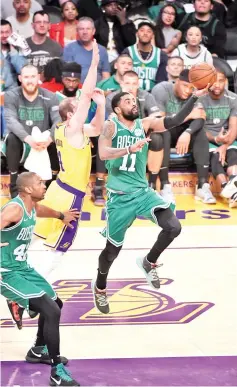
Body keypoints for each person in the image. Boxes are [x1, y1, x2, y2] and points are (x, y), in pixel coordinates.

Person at [91, 87, 208, 314]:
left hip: (143, 193)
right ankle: (100, 286)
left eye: (134, 100)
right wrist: (128, 148)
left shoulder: (145, 123)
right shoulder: (111, 125)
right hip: (120, 198)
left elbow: (174, 120)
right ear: (117, 108)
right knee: (111, 251)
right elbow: (103, 154)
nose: (133, 103)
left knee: (173, 227)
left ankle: (149, 261)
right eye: (127, 101)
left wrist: (194, 97)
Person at [0, 172, 80, 385]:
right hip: (5, 273)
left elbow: (39, 210)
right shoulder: (13, 209)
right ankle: (56, 372)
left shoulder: (31, 206)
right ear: (27, 189)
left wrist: (60, 215)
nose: (44, 185)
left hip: (23, 268)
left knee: (56, 303)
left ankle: (38, 350)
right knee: (51, 310)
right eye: (40, 183)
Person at [33, 40, 106, 272]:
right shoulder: (74, 127)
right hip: (70, 195)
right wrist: (94, 64)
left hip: (58, 187)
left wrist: (101, 105)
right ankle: (37, 289)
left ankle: (11, 266)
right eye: (78, 108)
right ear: (72, 114)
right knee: (60, 247)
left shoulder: (64, 130)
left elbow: (96, 129)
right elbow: (85, 97)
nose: (82, 107)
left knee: (39, 232)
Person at [152, 69, 216, 204]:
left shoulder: (196, 93)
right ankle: (164, 185)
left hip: (183, 132)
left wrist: (188, 132)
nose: (188, 90)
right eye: (185, 86)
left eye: (191, 88)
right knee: (164, 132)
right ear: (177, 81)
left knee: (200, 133)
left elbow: (200, 117)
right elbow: (160, 121)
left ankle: (202, 186)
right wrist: (189, 116)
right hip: (165, 131)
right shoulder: (162, 89)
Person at [3, 64, 61, 198]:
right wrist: (28, 139)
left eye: (33, 76)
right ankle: (14, 186)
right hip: (23, 141)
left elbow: (58, 120)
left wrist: (49, 139)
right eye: (26, 77)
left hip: (44, 143)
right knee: (11, 138)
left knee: (58, 136)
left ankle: (50, 184)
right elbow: (11, 120)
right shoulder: (11, 95)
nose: (30, 80)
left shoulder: (50, 96)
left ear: (39, 78)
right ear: (20, 78)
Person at [200, 68, 237, 208]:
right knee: (215, 157)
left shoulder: (233, 98)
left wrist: (225, 145)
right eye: (213, 81)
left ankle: (232, 184)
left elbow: (234, 127)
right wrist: (216, 140)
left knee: (233, 154)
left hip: (228, 139)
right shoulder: (201, 99)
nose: (217, 84)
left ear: (225, 82)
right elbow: (200, 127)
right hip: (208, 139)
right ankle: (228, 188)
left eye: (220, 81)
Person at [63, 17, 110, 83]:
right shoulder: (69, 48)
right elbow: (66, 75)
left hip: (97, 90)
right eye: (81, 29)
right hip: (76, 89)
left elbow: (106, 75)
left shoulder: (102, 50)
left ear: (93, 31)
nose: (85, 32)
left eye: (88, 29)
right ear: (77, 31)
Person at [124, 21, 168, 91]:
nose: (145, 33)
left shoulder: (161, 55)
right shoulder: (128, 52)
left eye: (149, 31)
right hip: (131, 93)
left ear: (153, 36)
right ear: (137, 34)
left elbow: (161, 82)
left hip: (152, 97)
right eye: (142, 30)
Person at [26, 11, 62, 77]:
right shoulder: (23, 45)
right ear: (32, 25)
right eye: (38, 22)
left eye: (45, 22)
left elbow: (58, 72)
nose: (42, 25)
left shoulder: (56, 47)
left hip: (49, 85)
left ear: (49, 25)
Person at [0, 19, 28, 91]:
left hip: (12, 91)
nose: (4, 35)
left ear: (12, 33)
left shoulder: (19, 48)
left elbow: (22, 70)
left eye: (7, 32)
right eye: (1, 32)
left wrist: (13, 49)